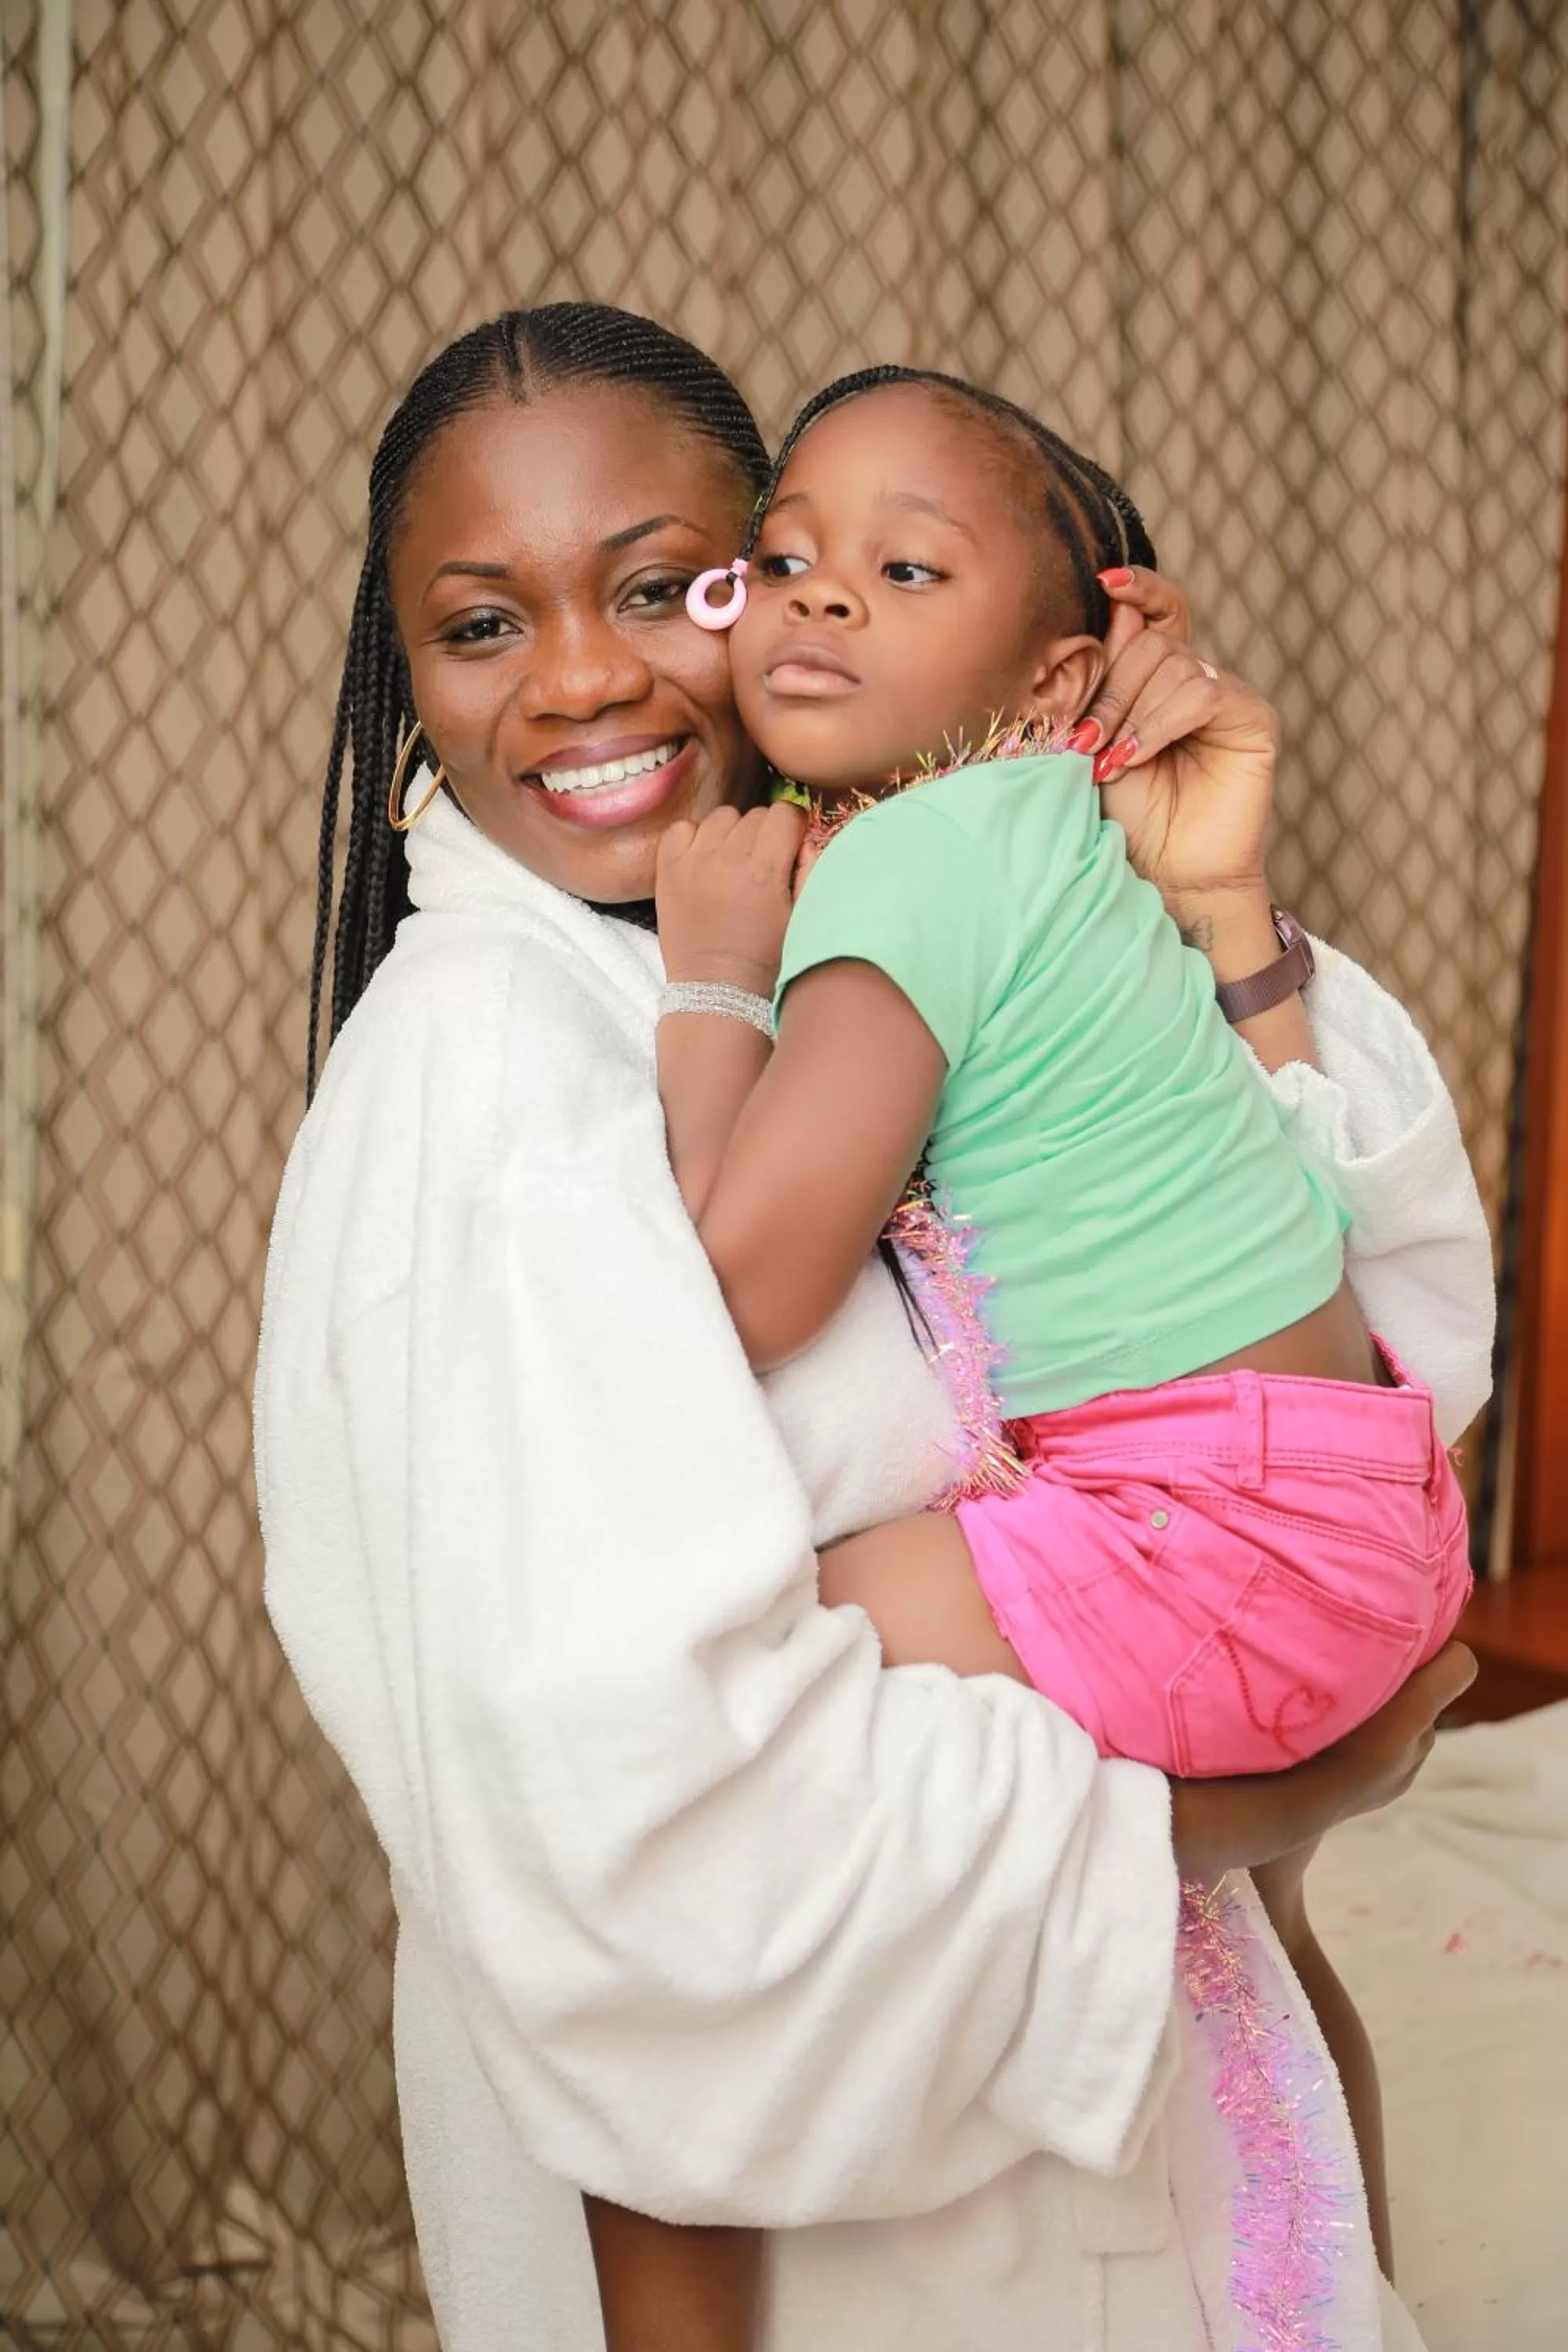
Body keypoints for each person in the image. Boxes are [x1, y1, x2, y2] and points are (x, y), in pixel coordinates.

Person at [254, 304, 1491, 2352]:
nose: (578, 679)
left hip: (1163, 2156)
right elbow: (629, 1807)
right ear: (410, 686)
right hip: (862, 2244)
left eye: (669, 587)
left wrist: (1218, 912)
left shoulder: (915, 898)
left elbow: (1389, 1368)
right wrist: (1236, 1820)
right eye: (481, 626)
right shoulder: (489, 1071)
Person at [617, 361, 1476, 2338]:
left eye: (906, 570)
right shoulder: (1042, 835)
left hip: (1227, 1536)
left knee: (753, 1686)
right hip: (1347, 1497)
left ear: (1051, 678)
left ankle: (1256, 1813)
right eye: (783, 560)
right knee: (1255, 1968)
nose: (825, 594)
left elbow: (741, 1291)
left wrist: (709, 984)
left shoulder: (919, 860)